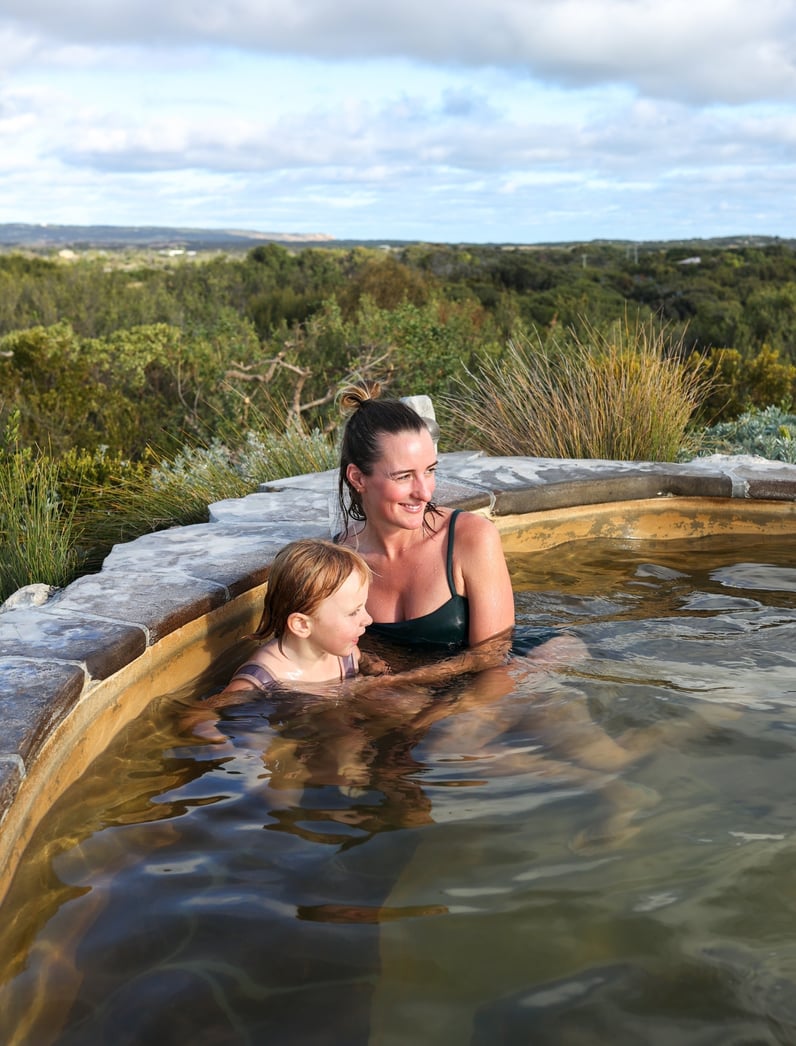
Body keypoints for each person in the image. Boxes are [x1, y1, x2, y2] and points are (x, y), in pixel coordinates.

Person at [335, 382, 577, 683]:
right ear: (358, 478)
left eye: (430, 470)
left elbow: (492, 657)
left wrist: (405, 682)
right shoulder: (338, 564)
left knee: (464, 730)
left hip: (518, 664)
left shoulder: (470, 538)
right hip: (415, 686)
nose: (424, 492)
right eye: (404, 476)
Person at [222, 538, 383, 693]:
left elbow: (375, 671)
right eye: (353, 612)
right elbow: (207, 718)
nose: (368, 619)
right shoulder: (261, 680)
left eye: (363, 607)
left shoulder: (348, 654)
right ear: (302, 625)